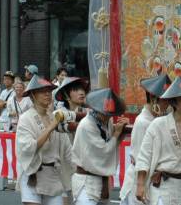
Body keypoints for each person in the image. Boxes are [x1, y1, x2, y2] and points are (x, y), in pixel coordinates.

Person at [135, 76, 181, 205]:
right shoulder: (158, 124)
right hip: (163, 186)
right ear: (174, 102)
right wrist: (140, 185)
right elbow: (144, 157)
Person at [16, 75, 72, 205]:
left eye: (49, 91)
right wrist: (51, 128)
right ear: (33, 95)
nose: (47, 94)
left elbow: (66, 150)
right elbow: (29, 147)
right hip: (33, 174)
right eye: (42, 91)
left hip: (53, 175)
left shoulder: (54, 117)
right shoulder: (26, 118)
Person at [71, 88, 128, 205]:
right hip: (86, 181)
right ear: (96, 109)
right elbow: (104, 150)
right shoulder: (87, 125)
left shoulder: (107, 121)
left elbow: (112, 143)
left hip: (102, 181)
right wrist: (117, 133)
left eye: (110, 114)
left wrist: (120, 131)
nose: (107, 117)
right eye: (105, 113)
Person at [119, 74, 170, 205]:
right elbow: (140, 158)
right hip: (140, 180)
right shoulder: (143, 122)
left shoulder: (155, 120)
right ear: (153, 98)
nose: (167, 104)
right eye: (164, 100)